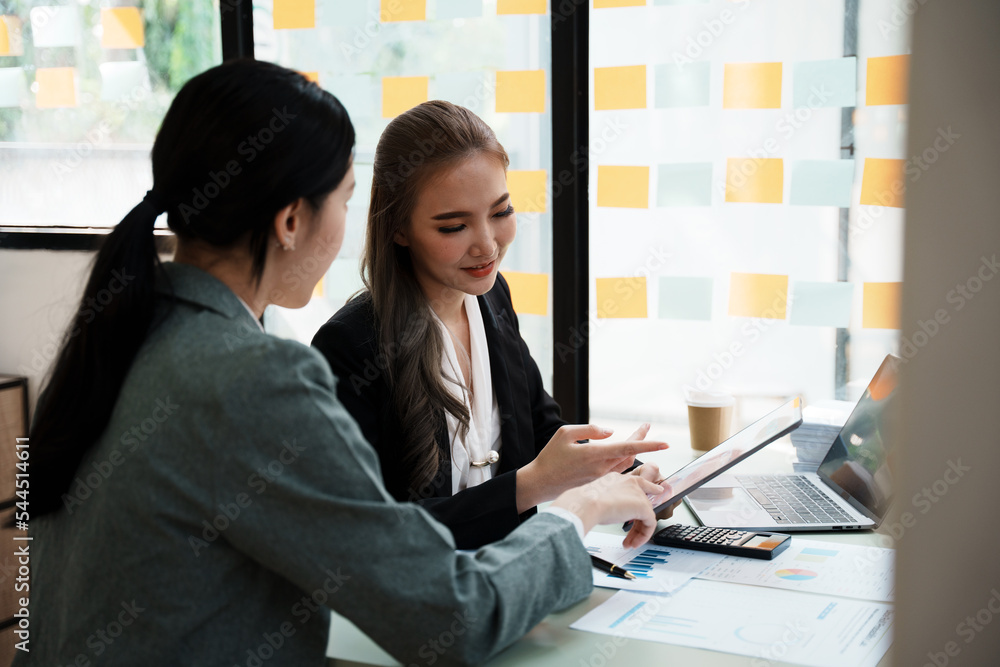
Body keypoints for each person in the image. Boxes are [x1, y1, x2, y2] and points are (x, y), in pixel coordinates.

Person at [18, 60, 666, 666]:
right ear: (293, 220)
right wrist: (574, 512)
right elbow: (449, 616)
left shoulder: (112, 337)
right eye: (346, 198)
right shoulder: (258, 379)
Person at [312, 101, 674, 549]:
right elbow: (374, 533)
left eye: (500, 212)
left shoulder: (491, 297)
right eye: (453, 227)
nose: (487, 246)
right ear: (399, 229)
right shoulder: (349, 346)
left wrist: (624, 473)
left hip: (519, 571)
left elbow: (539, 431)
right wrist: (532, 485)